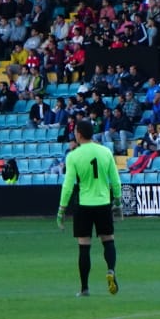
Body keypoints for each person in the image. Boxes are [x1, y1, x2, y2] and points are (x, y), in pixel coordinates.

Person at [56, 118, 122, 298]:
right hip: (102, 203)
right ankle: (110, 270)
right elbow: (115, 181)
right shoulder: (105, 152)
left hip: (84, 205)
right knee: (108, 241)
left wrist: (61, 210)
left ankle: (85, 288)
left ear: (78, 134)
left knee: (84, 247)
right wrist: (117, 202)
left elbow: (68, 186)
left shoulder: (73, 156)